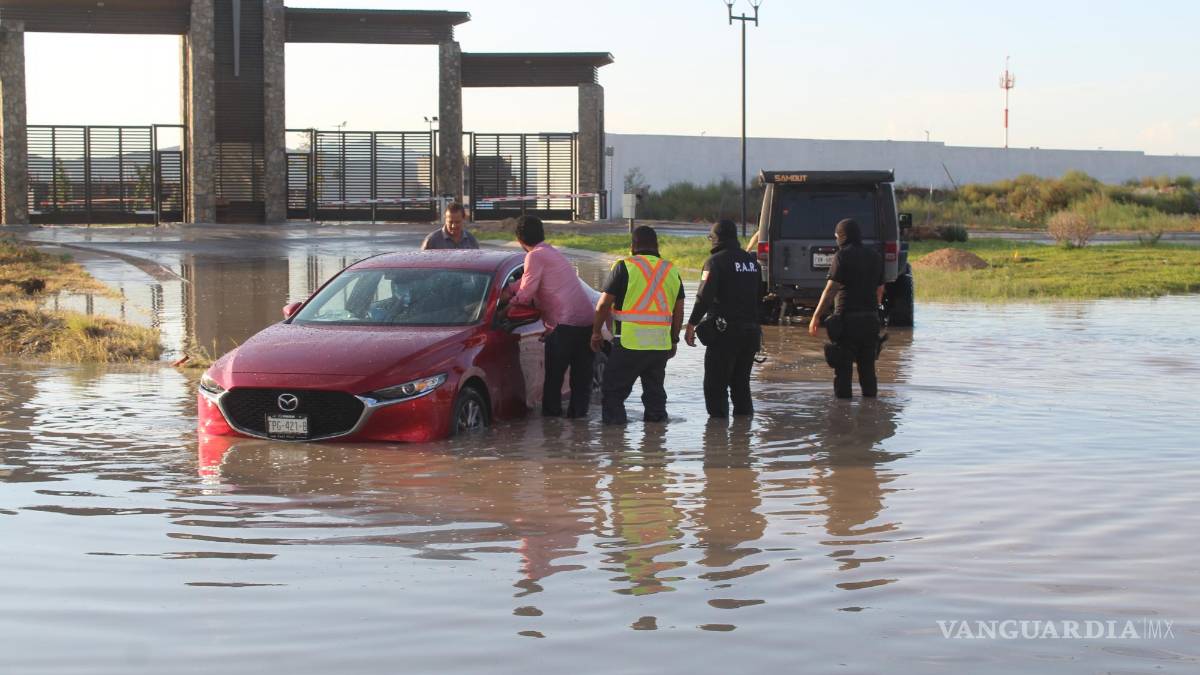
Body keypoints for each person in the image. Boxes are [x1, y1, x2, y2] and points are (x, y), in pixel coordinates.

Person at [591, 225, 685, 425]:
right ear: (657, 246)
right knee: (655, 395)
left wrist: (596, 332)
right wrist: (674, 339)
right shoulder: (671, 270)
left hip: (629, 343)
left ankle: (615, 444)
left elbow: (603, 304)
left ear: (633, 245)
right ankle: (656, 444)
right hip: (660, 346)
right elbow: (679, 310)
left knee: (613, 392)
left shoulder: (624, 266)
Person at [505, 215, 596, 417]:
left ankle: (551, 433)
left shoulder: (534, 256)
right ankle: (580, 434)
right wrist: (511, 289)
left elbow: (527, 293)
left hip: (565, 325)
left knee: (553, 381)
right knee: (581, 383)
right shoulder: (550, 252)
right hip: (587, 322)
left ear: (519, 240)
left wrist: (506, 306)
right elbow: (526, 282)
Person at [684, 219, 763, 418]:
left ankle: (716, 440)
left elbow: (704, 298)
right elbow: (759, 297)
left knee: (715, 387)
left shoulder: (715, 262)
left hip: (724, 335)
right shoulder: (752, 263)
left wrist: (691, 324)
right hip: (750, 334)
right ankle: (742, 439)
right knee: (741, 386)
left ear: (716, 238)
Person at [808, 218, 884, 399]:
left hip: (847, 321)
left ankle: (842, 419)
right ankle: (870, 415)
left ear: (843, 236)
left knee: (843, 371)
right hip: (870, 320)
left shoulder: (842, 256)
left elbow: (831, 289)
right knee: (868, 370)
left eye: (836, 237)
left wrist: (816, 316)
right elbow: (880, 290)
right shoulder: (875, 256)